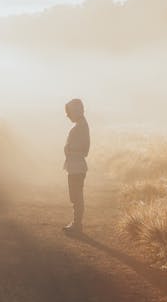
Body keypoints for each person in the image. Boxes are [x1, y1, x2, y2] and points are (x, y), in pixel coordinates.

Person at [63, 98, 90, 233]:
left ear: (76, 112)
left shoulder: (81, 127)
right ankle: (76, 223)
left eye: (69, 112)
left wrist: (69, 150)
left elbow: (85, 149)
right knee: (75, 196)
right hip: (75, 166)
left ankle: (77, 224)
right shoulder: (80, 126)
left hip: (77, 167)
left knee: (76, 196)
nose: (67, 115)